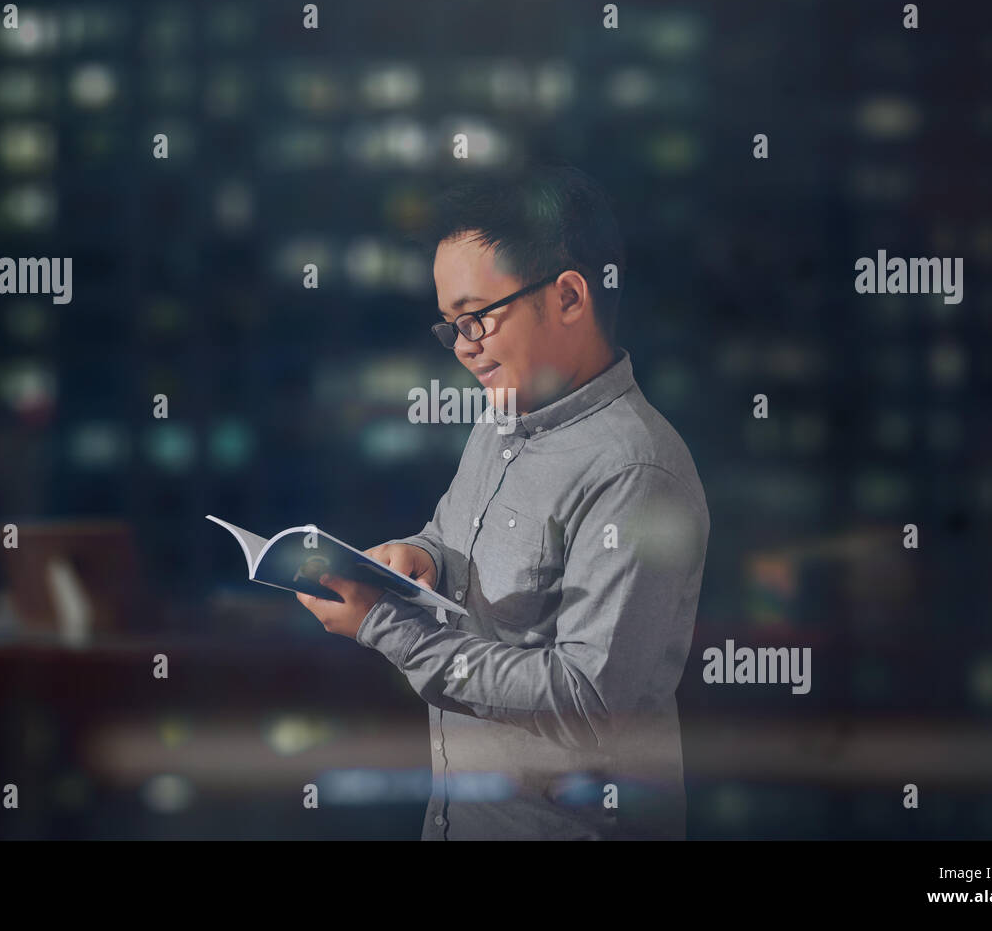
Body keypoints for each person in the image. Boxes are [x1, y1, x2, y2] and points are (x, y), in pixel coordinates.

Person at [297, 164, 710, 840]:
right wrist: (418, 556)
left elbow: (585, 702)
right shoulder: (503, 418)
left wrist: (387, 628)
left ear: (571, 296)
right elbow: (449, 531)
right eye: (450, 326)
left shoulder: (636, 471)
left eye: (477, 319)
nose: (463, 348)